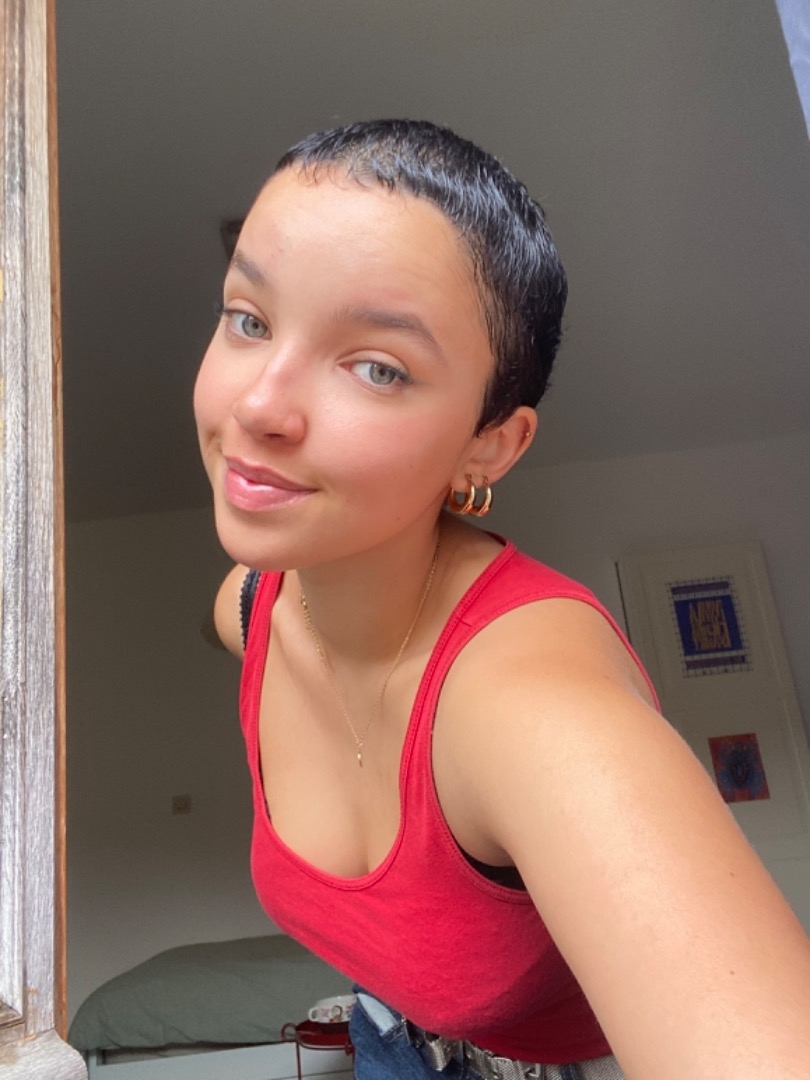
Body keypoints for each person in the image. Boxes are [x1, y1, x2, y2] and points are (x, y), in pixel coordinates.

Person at [195, 119, 810, 1080]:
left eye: (377, 367)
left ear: (490, 445)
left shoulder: (537, 717)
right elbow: (238, 620)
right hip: (386, 1033)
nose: (257, 406)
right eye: (249, 319)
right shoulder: (250, 607)